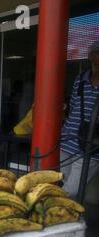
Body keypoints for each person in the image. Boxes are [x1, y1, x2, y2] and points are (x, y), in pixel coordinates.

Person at [60, 41, 99, 197]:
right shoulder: (80, 79)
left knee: (71, 190)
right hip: (67, 141)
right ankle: (74, 217)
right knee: (67, 183)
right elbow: (73, 107)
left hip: (92, 145)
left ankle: (54, 216)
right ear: (92, 56)